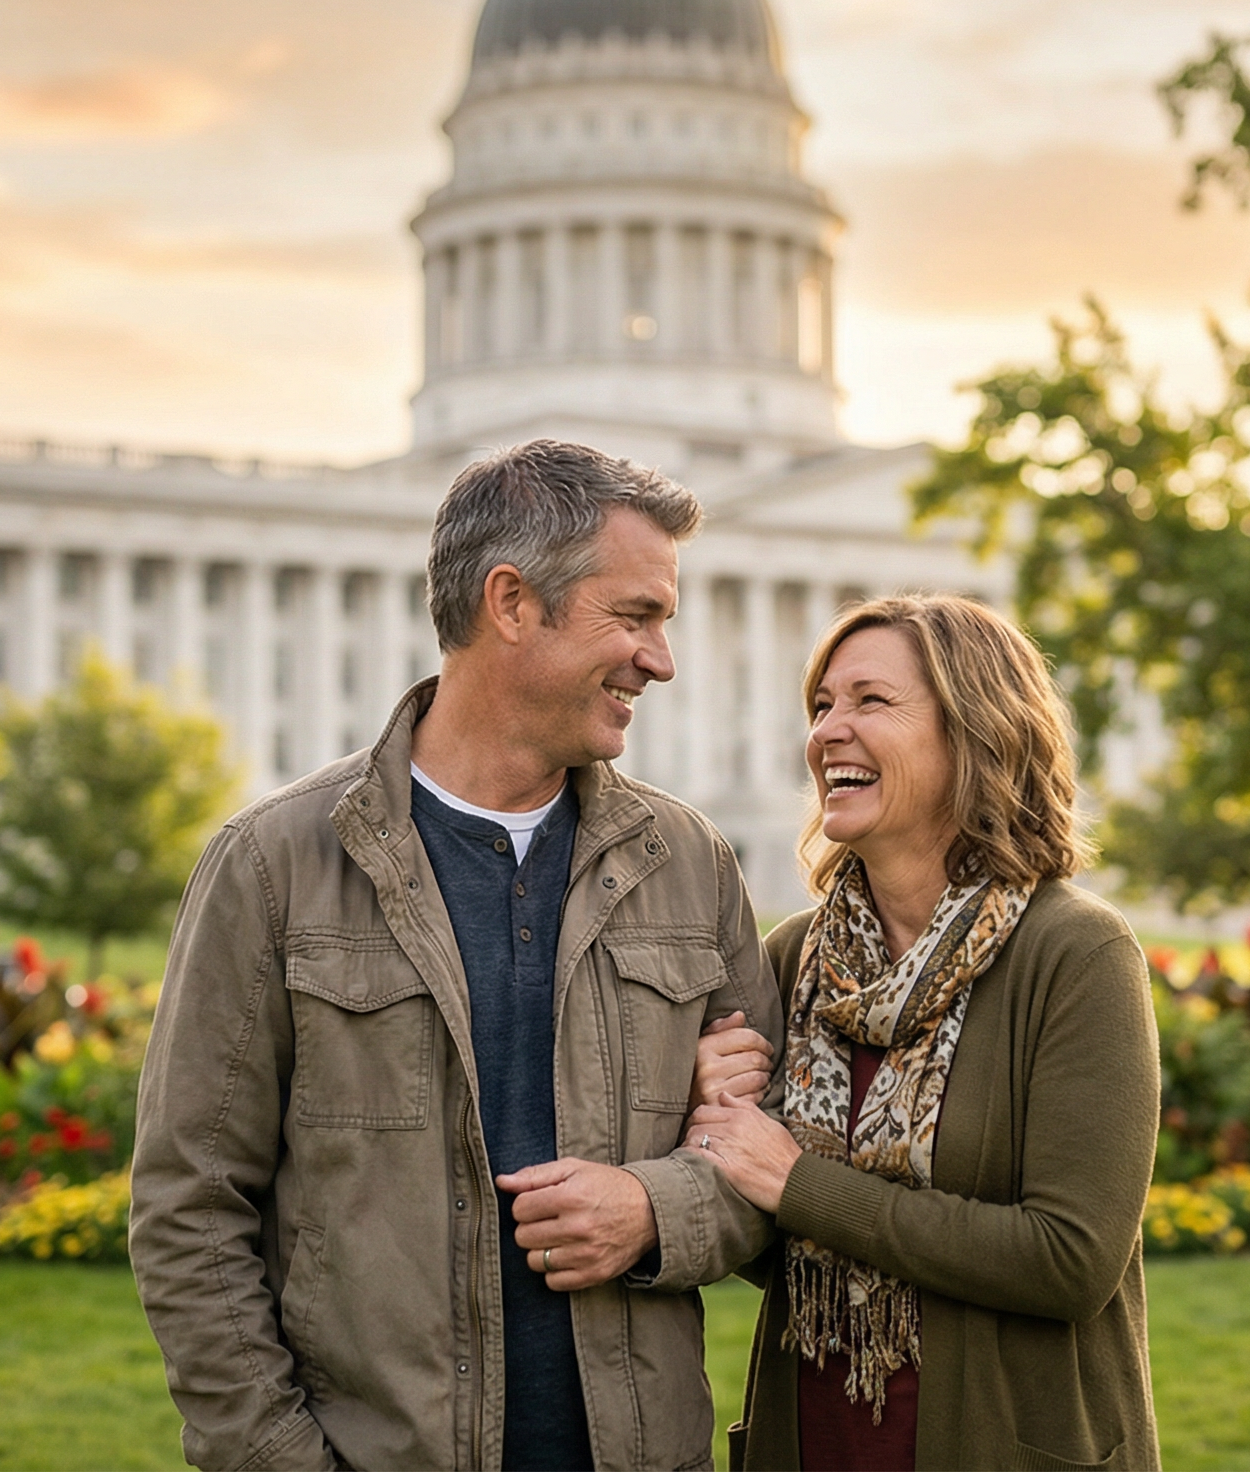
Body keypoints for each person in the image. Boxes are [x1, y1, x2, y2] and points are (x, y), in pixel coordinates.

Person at [131, 439, 783, 1472]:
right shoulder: (274, 865)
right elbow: (189, 1206)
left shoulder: (689, 865)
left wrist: (653, 1209)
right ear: (512, 602)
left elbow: (772, 1164)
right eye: (636, 616)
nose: (660, 660)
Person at [685, 594, 1162, 1471]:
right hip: (813, 1439)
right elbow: (767, 1254)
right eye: (822, 705)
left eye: (870, 701)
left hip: (1003, 1445)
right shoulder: (794, 959)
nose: (830, 730)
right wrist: (713, 1129)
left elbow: (1070, 1262)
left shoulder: (1075, 953)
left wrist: (797, 1183)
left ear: (975, 733)